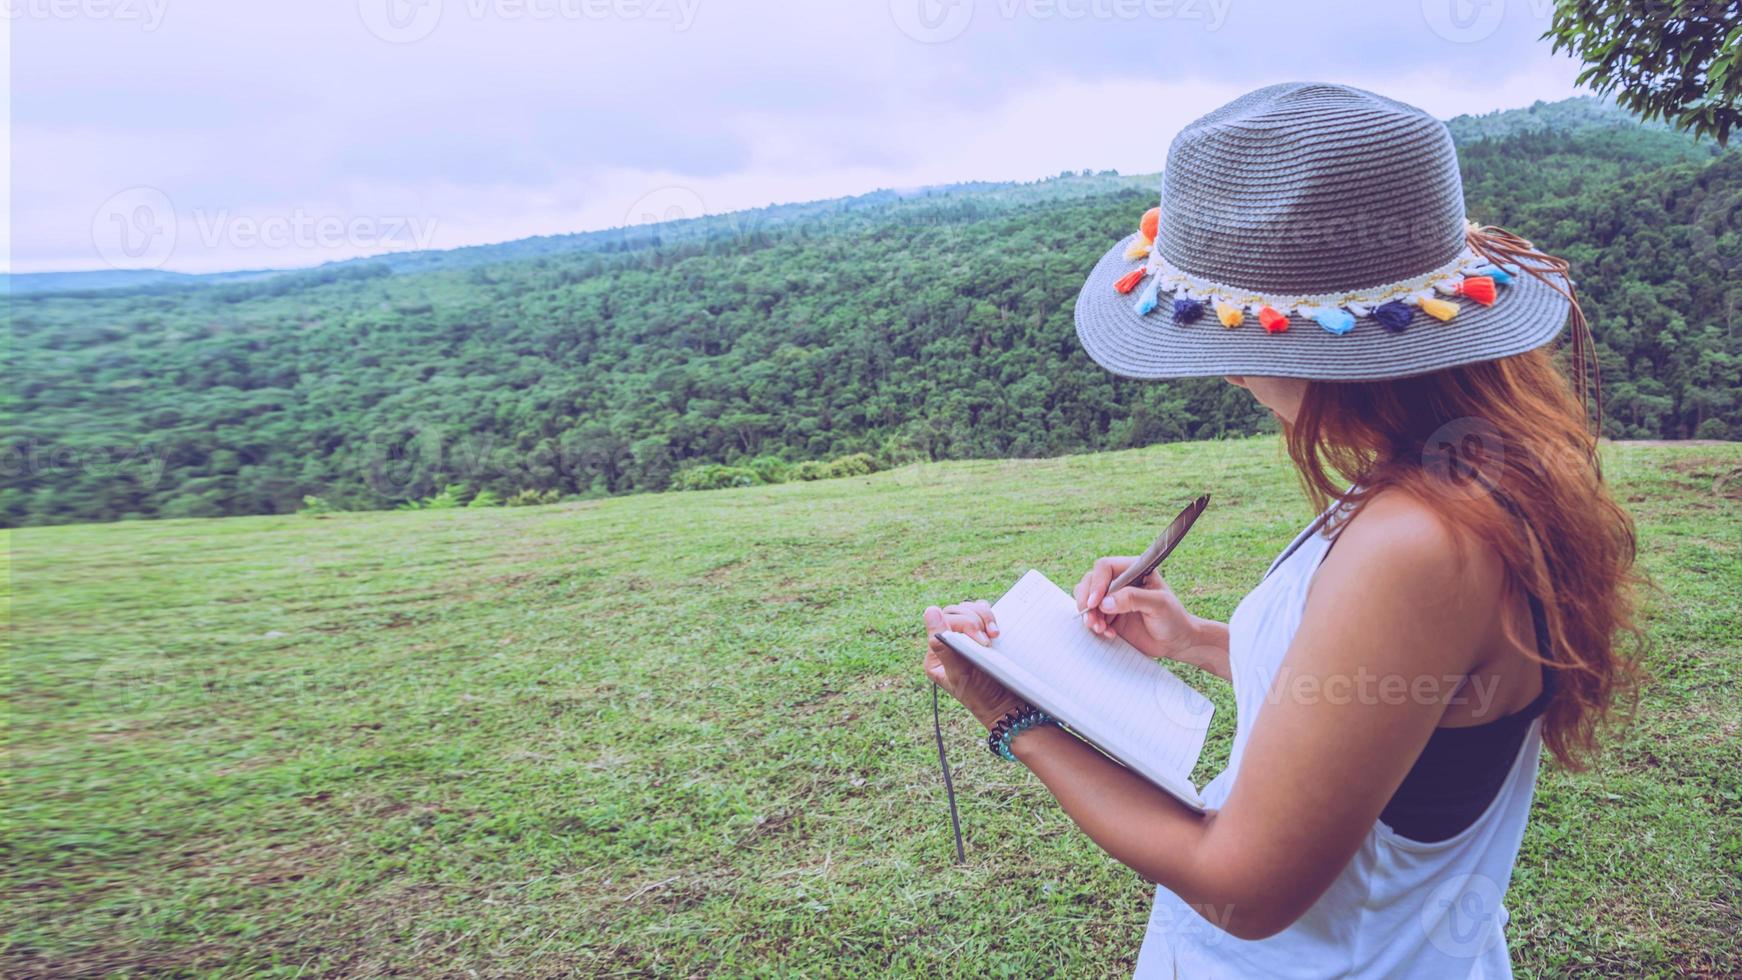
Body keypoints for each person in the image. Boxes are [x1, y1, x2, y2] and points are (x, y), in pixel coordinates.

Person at [922, 83, 1641, 978]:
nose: (1230, 374)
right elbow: (1391, 699)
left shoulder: (1420, 541)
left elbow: (1243, 889)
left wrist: (1011, 714)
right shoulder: (1469, 477)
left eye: (1236, 341)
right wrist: (1193, 640)